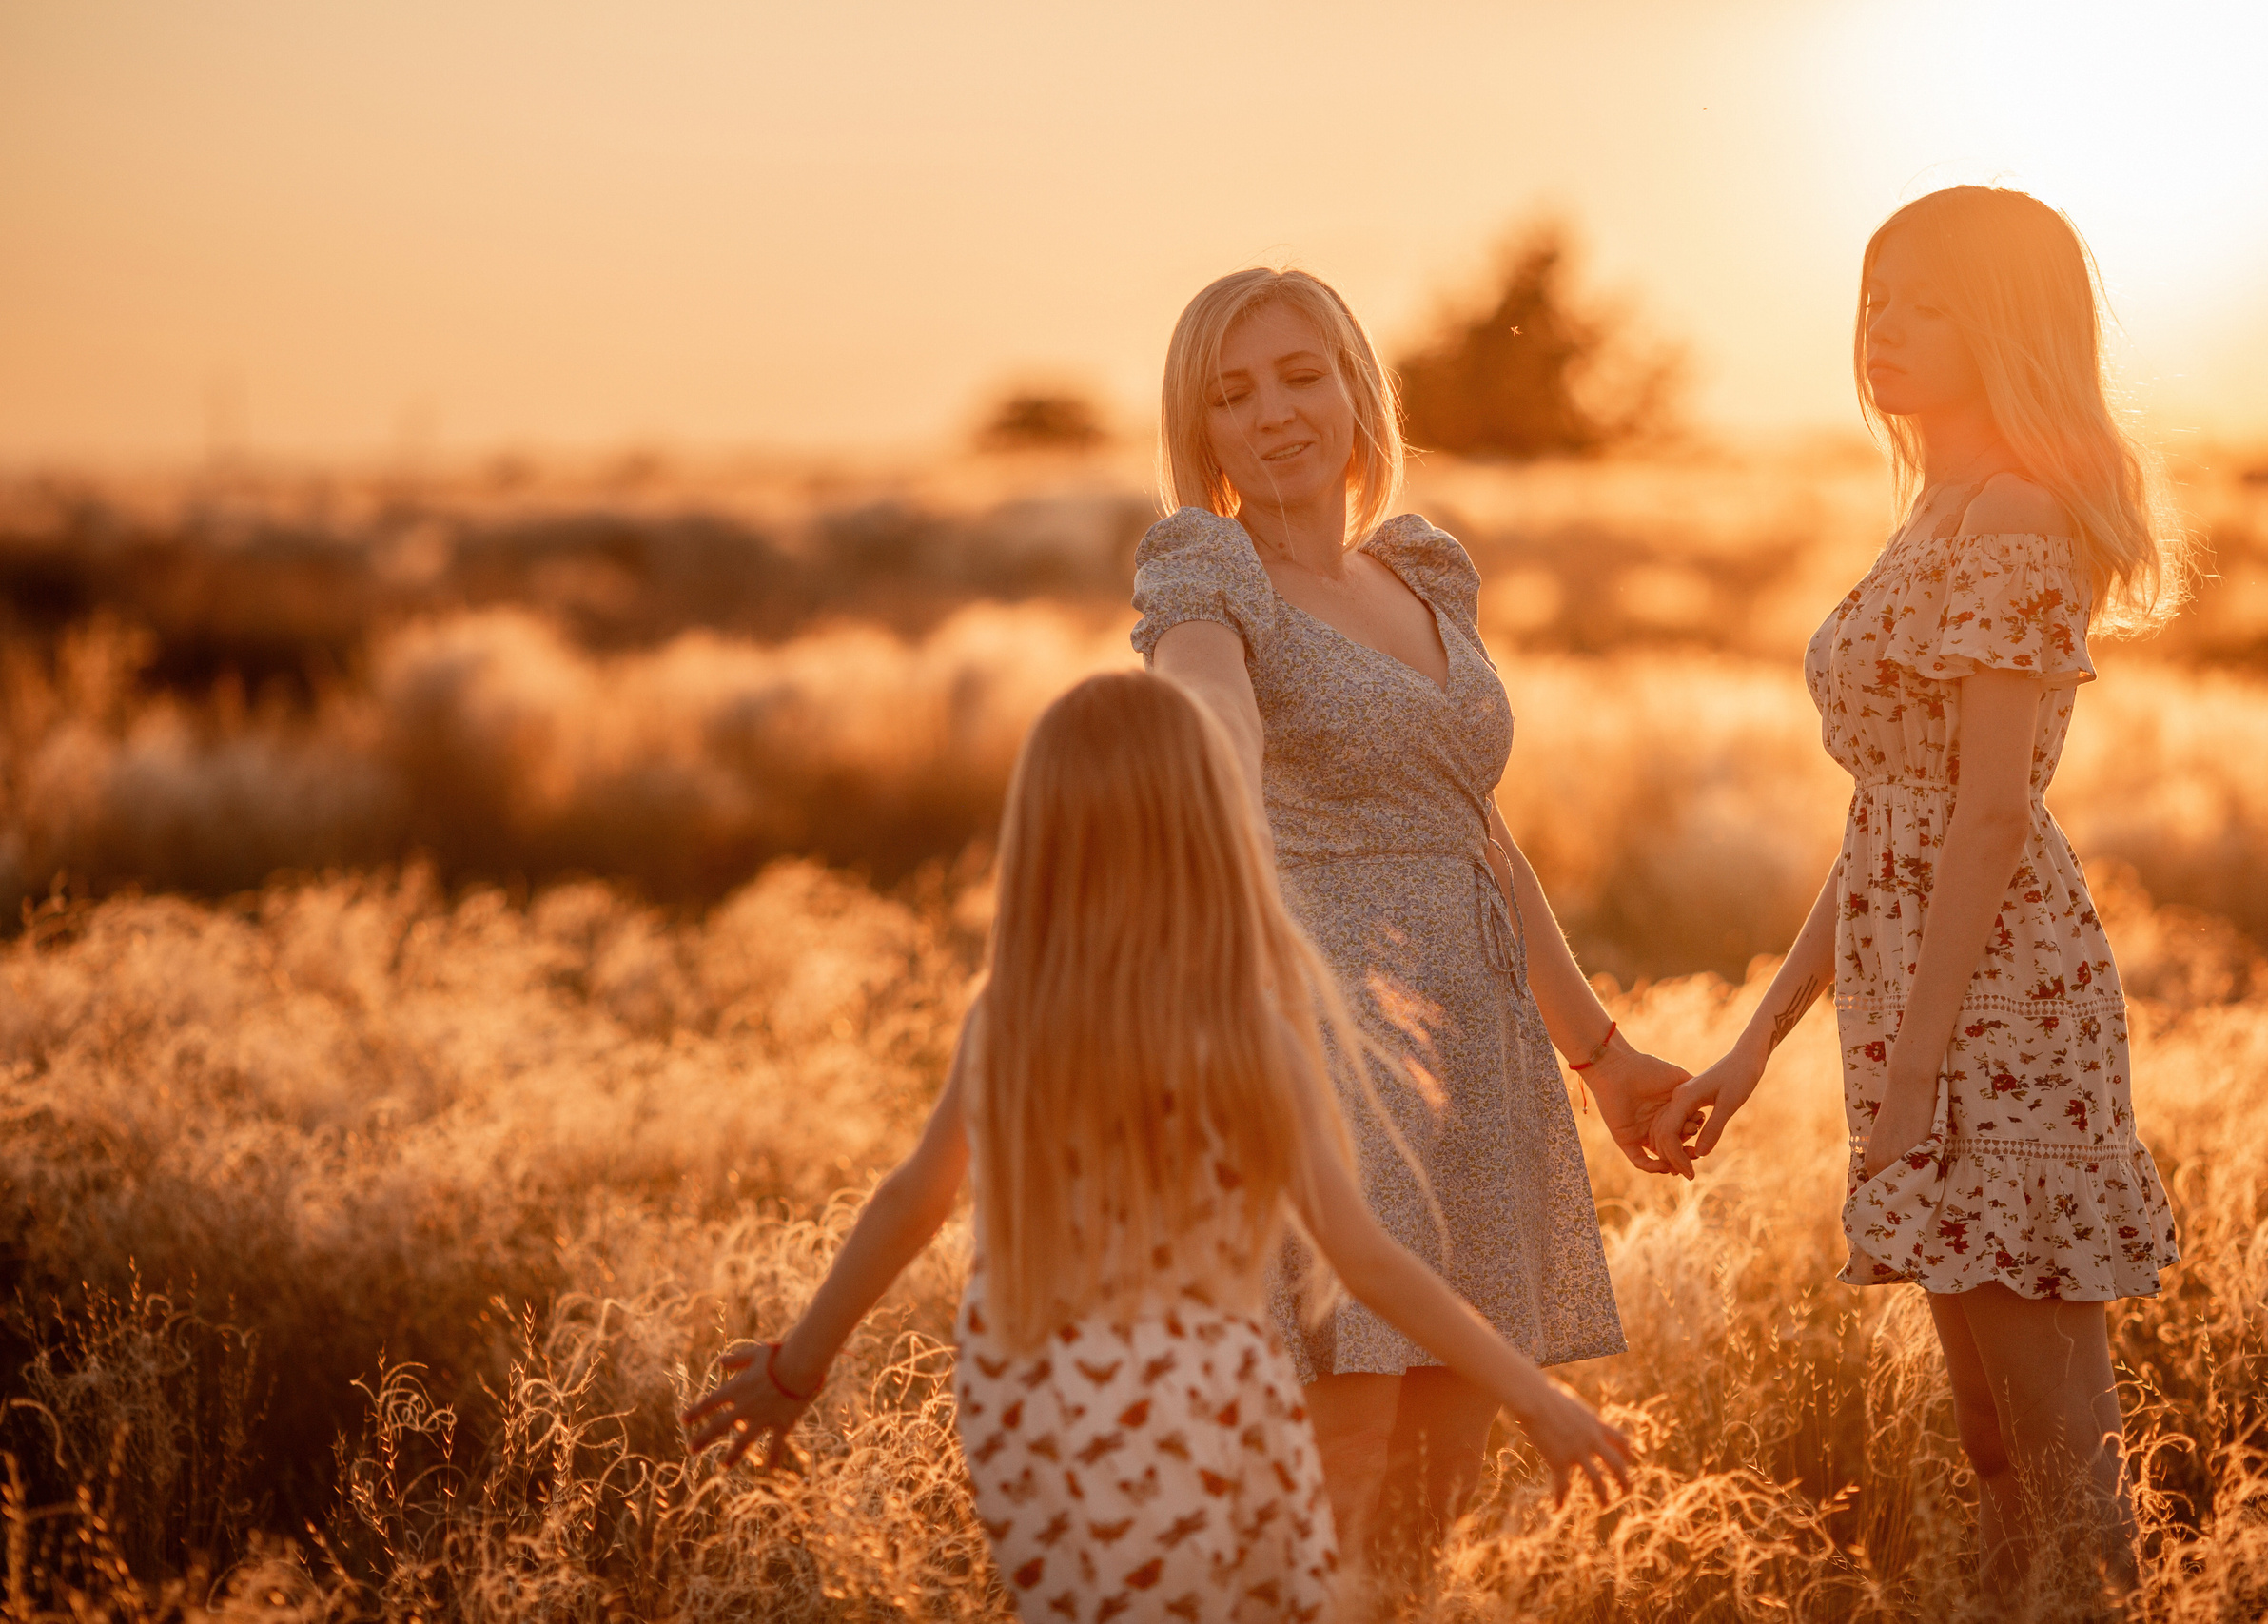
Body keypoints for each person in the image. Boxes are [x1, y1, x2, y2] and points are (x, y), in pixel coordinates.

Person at [679, 671, 1633, 1624]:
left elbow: (911, 1201)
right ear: (1209, 827)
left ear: (1045, 837)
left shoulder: (1012, 1017)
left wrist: (798, 1368)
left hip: (1026, 1404)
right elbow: (1365, 1258)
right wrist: (1534, 1397)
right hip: (1203, 1392)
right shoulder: (1246, 1028)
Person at [1650, 186, 2186, 1601]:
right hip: (1920, 988)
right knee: (1993, 1439)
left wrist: (1919, 1067)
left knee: (2060, 1441)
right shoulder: (1937, 505)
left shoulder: (2011, 509)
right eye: (1880, 294)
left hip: (1998, 1001)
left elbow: (1995, 810)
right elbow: (1890, 823)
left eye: (1931, 302)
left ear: (2007, 323)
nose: (1888, 327)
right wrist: (1759, 1040)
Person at [1130, 267, 1690, 1558]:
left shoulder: (1426, 570)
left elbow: (1474, 831)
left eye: (1301, 373)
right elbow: (1202, 692)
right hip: (1322, 1033)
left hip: (1476, 1048)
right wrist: (1207, 735)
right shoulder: (1207, 563)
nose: (1275, 413)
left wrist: (1600, 1054)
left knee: (1436, 1492)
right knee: (1340, 1455)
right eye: (1233, 391)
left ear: (1356, 388)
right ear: (1199, 427)